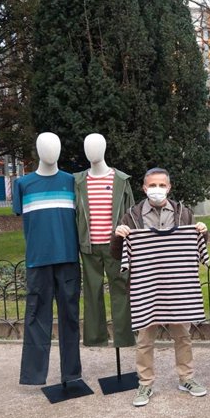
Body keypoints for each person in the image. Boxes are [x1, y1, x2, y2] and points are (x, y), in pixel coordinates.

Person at [110, 168, 208, 407]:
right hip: (147, 288)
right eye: (152, 185)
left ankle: (187, 378)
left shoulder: (184, 214)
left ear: (169, 187)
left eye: (161, 185)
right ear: (144, 188)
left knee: (183, 336)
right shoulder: (131, 216)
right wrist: (119, 236)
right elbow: (116, 255)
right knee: (145, 339)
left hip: (177, 285)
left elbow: (193, 249)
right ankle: (145, 383)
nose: (157, 189)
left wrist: (202, 234)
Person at [13, 132, 82, 386]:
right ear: (37, 150)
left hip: (68, 259)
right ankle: (33, 374)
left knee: (71, 317)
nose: (50, 151)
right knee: (35, 316)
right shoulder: (23, 184)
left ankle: (72, 374)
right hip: (37, 260)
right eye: (45, 146)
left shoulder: (71, 182)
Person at [74, 133, 135, 348]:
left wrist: (131, 242)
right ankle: (95, 338)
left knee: (121, 291)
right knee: (92, 292)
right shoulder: (78, 181)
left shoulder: (120, 180)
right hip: (88, 246)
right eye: (87, 146)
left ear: (104, 148)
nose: (91, 151)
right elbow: (74, 215)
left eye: (96, 146)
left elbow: (131, 214)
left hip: (116, 246)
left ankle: (124, 339)